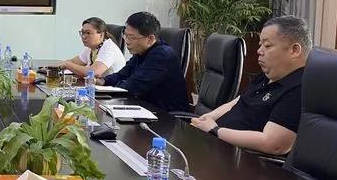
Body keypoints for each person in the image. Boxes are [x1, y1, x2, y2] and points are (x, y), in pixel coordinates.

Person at [191, 16, 310, 155]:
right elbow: (238, 101)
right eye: (260, 45)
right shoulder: (267, 76)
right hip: (216, 144)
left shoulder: (299, 88)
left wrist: (215, 130)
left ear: (294, 50)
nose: (259, 51)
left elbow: (273, 144)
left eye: (267, 45)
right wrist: (208, 118)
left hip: (239, 159)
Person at [98, 11, 190, 112]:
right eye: (125, 35)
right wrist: (103, 81)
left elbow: (133, 86)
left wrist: (109, 88)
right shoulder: (141, 52)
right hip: (145, 109)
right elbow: (122, 75)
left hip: (167, 116)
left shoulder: (162, 55)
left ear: (150, 39)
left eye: (131, 37)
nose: (127, 41)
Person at [61, 17, 126, 78]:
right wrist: (64, 64)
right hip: (98, 85)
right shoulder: (91, 48)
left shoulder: (109, 48)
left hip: (114, 85)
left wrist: (67, 64)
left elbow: (93, 72)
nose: (83, 36)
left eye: (88, 33)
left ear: (101, 35)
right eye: (82, 32)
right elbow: (73, 61)